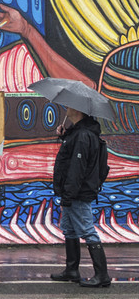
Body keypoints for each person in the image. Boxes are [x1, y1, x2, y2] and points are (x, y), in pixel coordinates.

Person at [50, 106, 111, 287]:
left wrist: (69, 194)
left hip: (78, 193)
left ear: (78, 110)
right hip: (72, 192)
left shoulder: (83, 135)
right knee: (69, 229)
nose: (67, 108)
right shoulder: (77, 132)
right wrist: (64, 135)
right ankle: (72, 270)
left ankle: (102, 275)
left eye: (70, 106)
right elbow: (71, 157)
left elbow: (77, 168)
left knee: (87, 231)